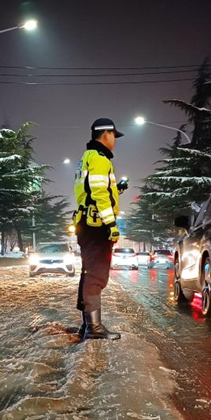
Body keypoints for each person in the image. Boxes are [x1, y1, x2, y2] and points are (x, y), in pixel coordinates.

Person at [73, 118, 126, 340]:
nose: (115, 140)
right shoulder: (100, 159)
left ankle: (88, 326)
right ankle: (94, 328)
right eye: (114, 135)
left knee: (89, 273)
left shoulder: (87, 157)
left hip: (86, 223)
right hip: (96, 227)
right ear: (105, 134)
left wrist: (118, 190)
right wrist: (111, 224)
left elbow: (93, 192)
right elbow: (99, 194)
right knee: (96, 275)